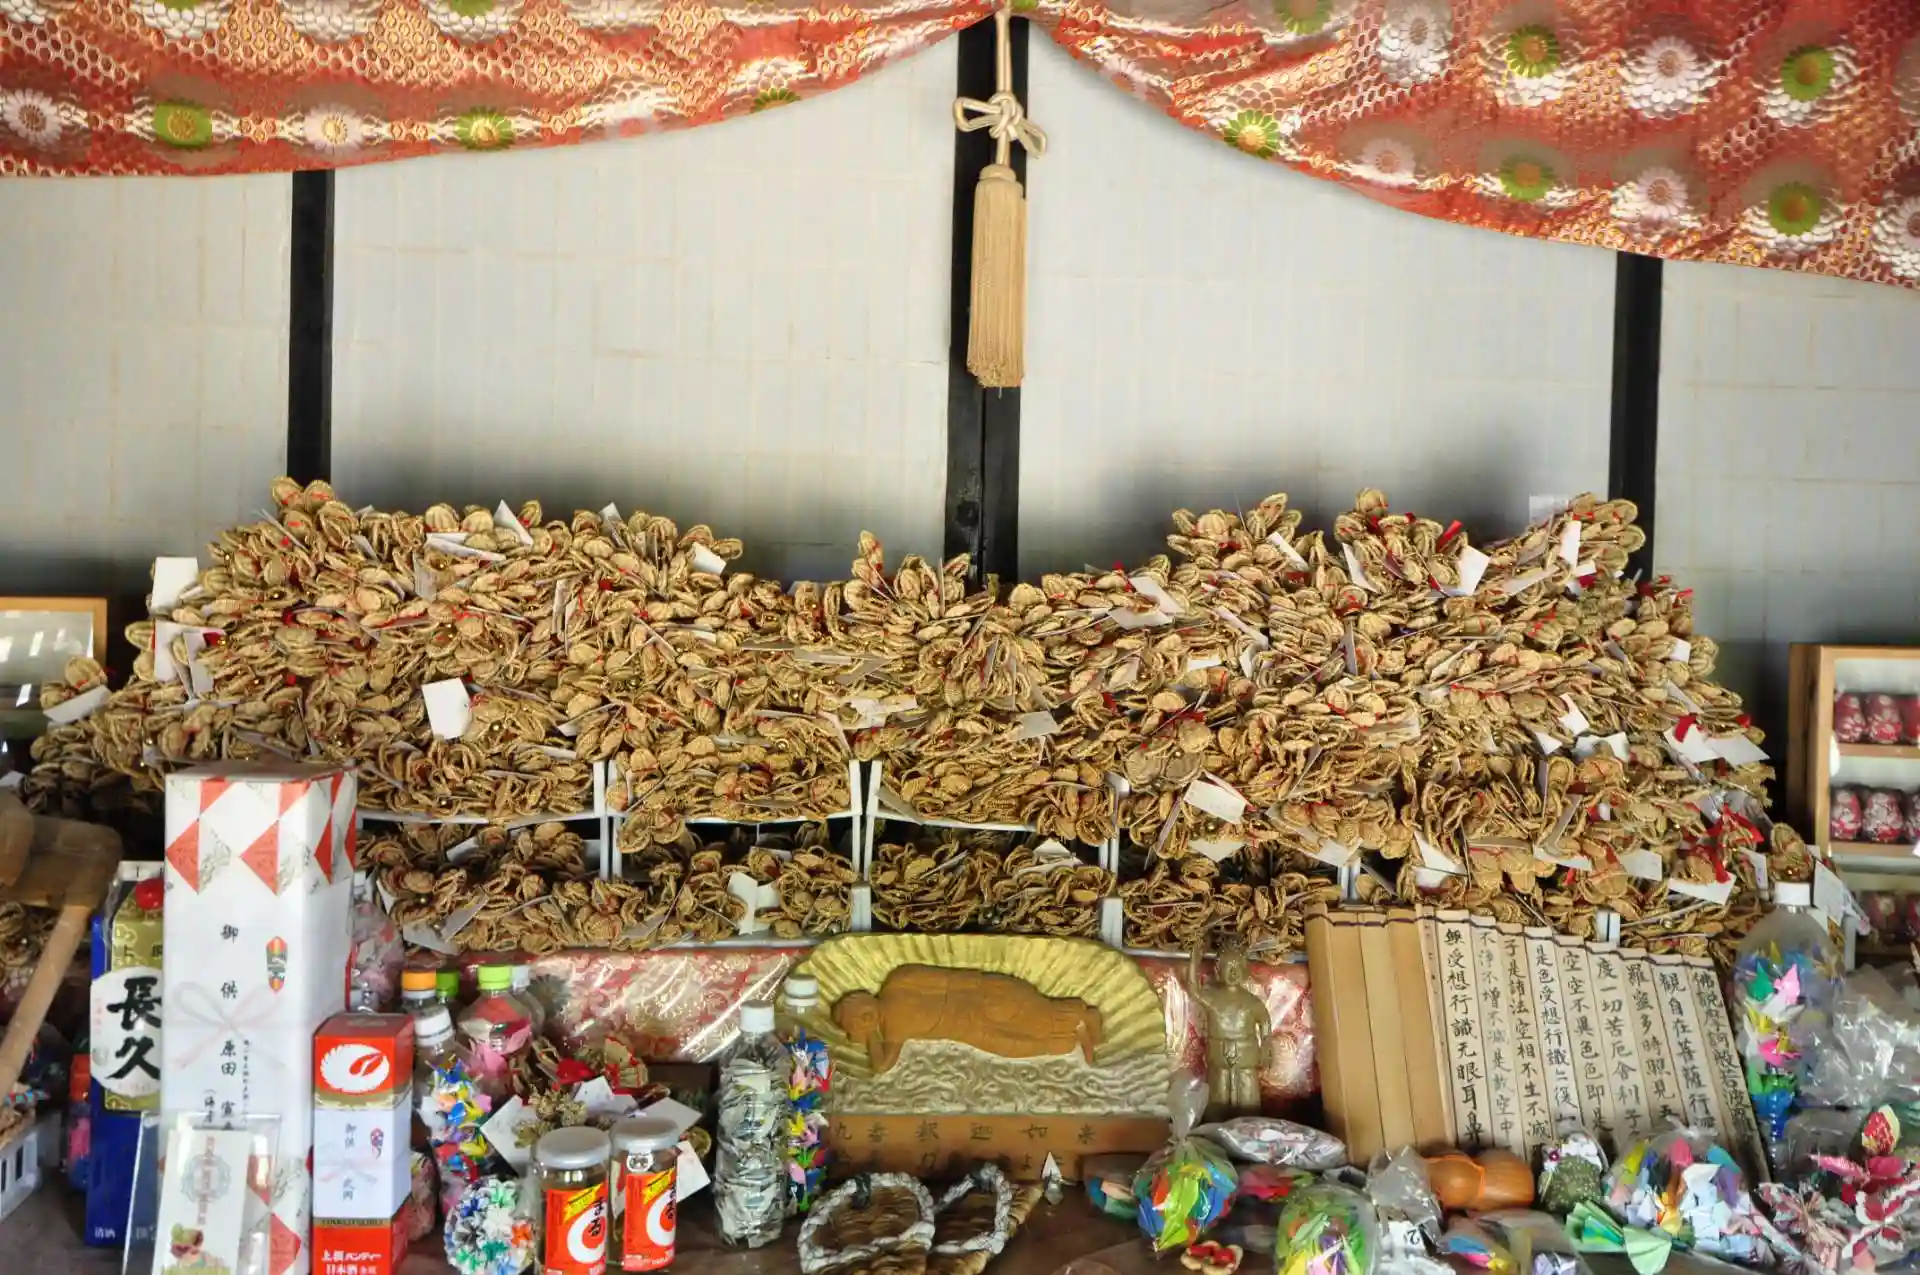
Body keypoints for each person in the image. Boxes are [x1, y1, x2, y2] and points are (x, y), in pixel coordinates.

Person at [1185, 935, 1270, 1119]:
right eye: (1228, 968)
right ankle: (1215, 1129)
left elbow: (1264, 1020)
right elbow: (1194, 991)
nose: (1233, 973)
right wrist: (1194, 963)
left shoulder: (1252, 1002)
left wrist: (1266, 1046)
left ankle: (1249, 1130)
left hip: (1246, 1059)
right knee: (1218, 1100)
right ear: (1217, 970)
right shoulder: (1212, 998)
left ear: (1246, 970)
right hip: (1219, 1058)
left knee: (1248, 1100)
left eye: (1237, 967)